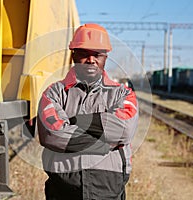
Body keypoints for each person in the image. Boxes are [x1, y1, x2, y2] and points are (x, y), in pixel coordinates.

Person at [37, 23, 139, 200]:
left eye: (97, 54)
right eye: (84, 54)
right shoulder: (53, 93)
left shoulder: (123, 94)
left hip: (109, 188)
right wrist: (104, 144)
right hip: (63, 189)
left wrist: (75, 121)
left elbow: (124, 129)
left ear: (105, 57)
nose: (91, 60)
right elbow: (51, 134)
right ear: (73, 55)